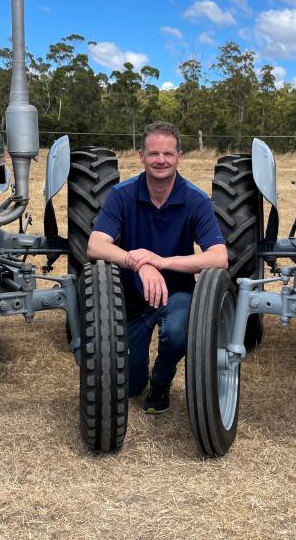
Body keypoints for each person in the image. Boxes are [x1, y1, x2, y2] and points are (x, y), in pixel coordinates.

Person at [86, 121, 228, 414]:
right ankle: (142, 378)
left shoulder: (195, 199)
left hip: (176, 294)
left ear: (179, 156)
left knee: (177, 332)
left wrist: (162, 262)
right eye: (153, 153)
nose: (160, 160)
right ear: (141, 155)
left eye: (167, 153)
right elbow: (95, 245)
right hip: (133, 300)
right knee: (132, 387)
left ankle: (162, 380)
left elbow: (219, 257)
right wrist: (138, 263)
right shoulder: (122, 195)